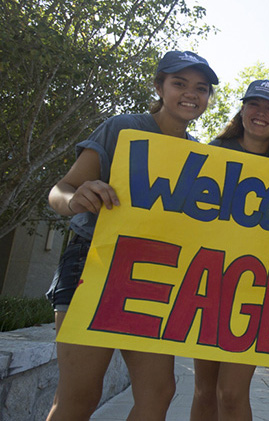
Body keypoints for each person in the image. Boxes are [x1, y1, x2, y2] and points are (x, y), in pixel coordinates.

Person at [45, 51, 218, 420]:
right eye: (179, 84)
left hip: (154, 279)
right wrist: (76, 198)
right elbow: (61, 190)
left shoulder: (203, 158)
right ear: (159, 86)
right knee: (79, 394)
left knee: (159, 391)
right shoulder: (122, 127)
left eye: (201, 88)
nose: (191, 94)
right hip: (92, 264)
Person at [189, 79, 269, 421]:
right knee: (203, 389)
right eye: (254, 104)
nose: (261, 114)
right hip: (208, 282)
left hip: (254, 289)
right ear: (242, 108)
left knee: (230, 393)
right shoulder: (214, 151)